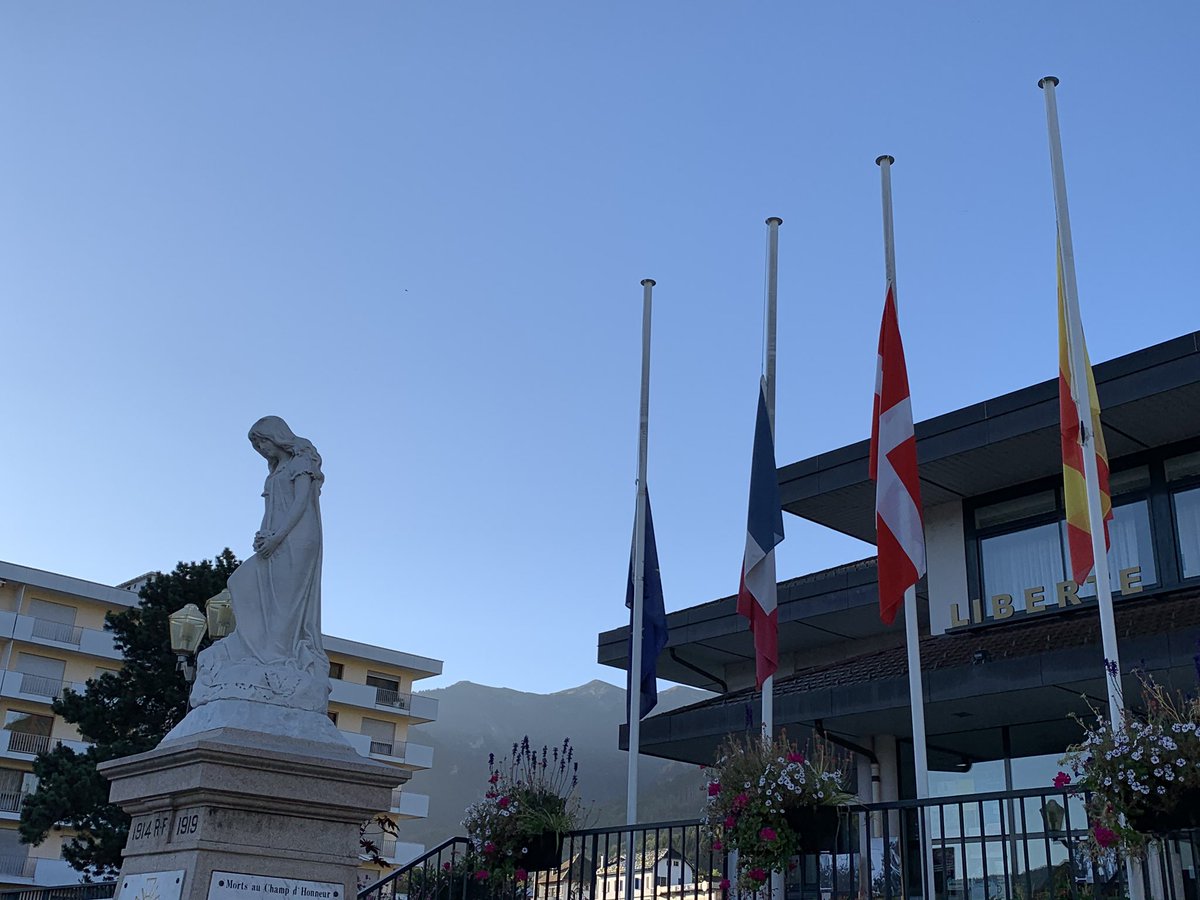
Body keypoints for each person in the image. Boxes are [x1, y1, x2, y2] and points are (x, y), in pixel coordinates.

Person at [192, 416, 329, 710]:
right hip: (275, 538)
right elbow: (273, 509)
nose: (261, 448)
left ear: (276, 436)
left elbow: (300, 503)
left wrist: (277, 537)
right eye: (256, 444)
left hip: (298, 539)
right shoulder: (275, 470)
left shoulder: (301, 460)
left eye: (262, 441)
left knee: (284, 603)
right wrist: (263, 535)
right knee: (241, 581)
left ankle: (276, 656)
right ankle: (255, 649)